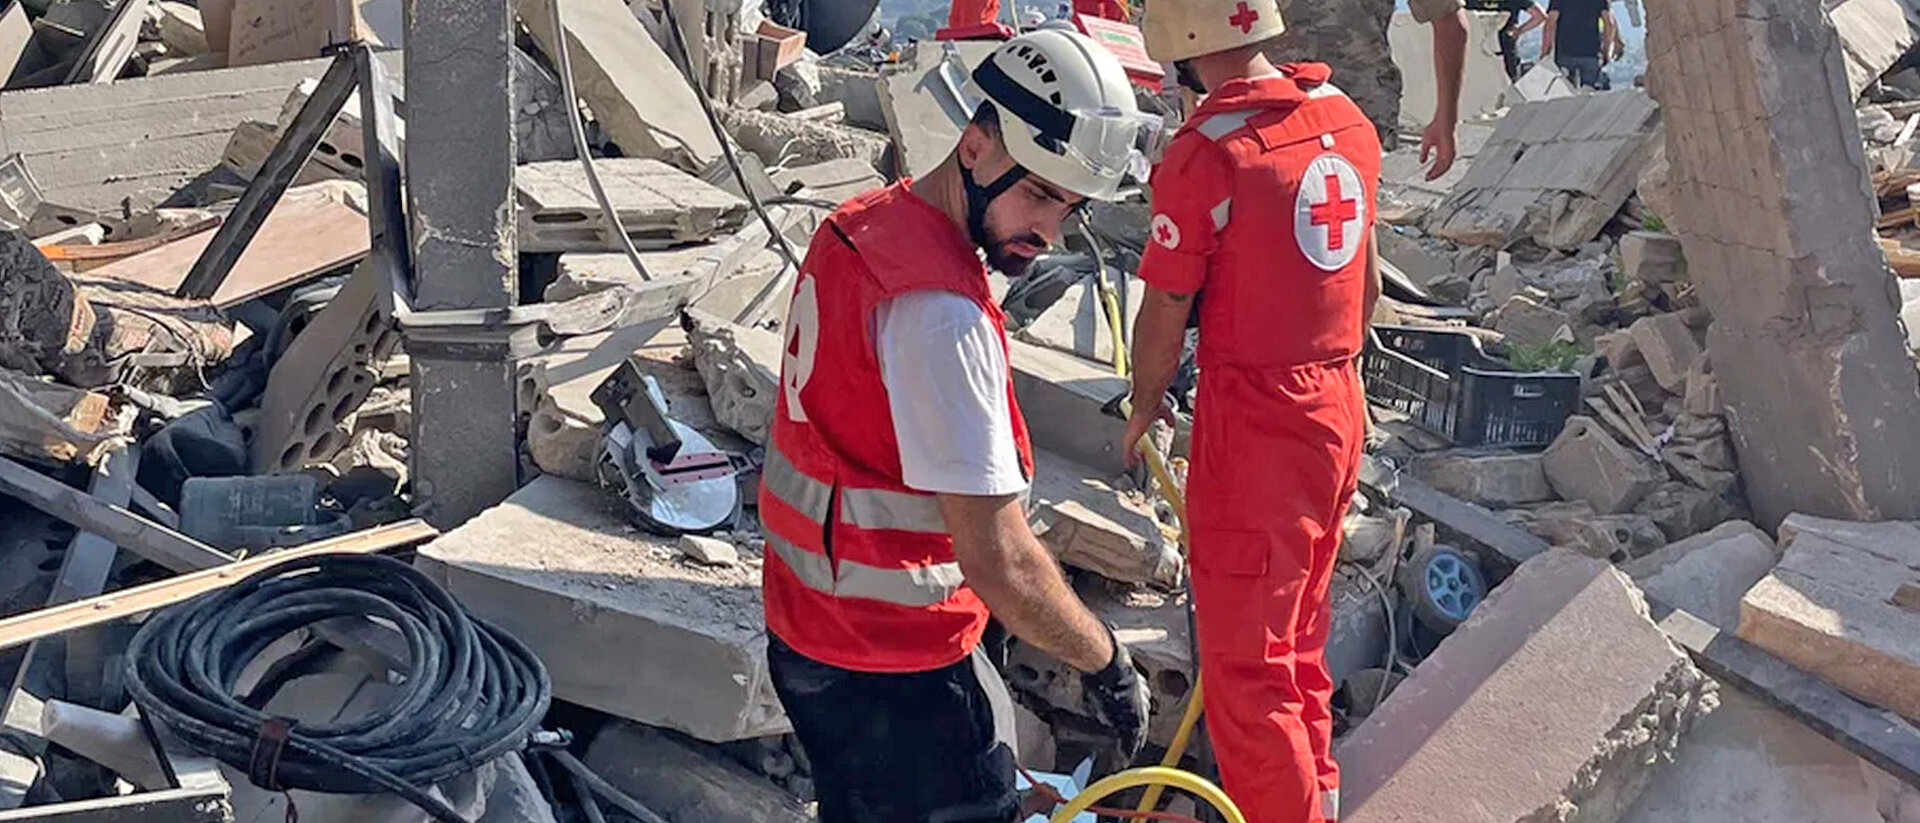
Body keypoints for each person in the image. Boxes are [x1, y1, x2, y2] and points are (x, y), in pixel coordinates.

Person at [759, 29, 1157, 823]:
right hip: (896, 671)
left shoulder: (864, 223)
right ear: (974, 145)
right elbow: (1001, 558)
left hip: (807, 628)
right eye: (1040, 194)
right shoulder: (941, 316)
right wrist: (1106, 660)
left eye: (1071, 206)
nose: (1051, 231)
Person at [1136, 2, 1382, 822]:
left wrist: (1144, 404)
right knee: (1298, 633)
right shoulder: (1346, 121)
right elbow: (1370, 283)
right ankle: (1320, 797)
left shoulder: (1208, 155)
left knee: (1247, 668)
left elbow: (1168, 304)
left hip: (1259, 422)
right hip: (1338, 398)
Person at [1261, 0, 1469, 180]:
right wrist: (1446, 119)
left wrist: (1446, 119)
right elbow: (1451, 21)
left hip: (1288, 104)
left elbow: (1450, 20)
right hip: (1294, 104)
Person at [1542, 0, 1617, 88]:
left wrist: (1545, 52)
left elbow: (1550, 24)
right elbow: (1609, 23)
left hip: (1565, 53)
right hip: (1591, 54)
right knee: (1590, 93)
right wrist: (1606, 51)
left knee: (1564, 93)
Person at [1468, 0, 1547, 79]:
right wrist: (1519, 30)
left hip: (1469, 51)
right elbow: (1539, 16)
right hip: (1505, 53)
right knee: (1508, 84)